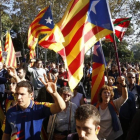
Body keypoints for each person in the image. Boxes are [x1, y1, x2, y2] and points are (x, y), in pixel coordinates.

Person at [2, 75, 66, 140]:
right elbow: (6, 134)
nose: (18, 97)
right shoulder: (10, 112)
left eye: (22, 94)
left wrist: (54, 93)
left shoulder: (39, 108)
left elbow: (61, 107)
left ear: (31, 94)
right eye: (17, 94)